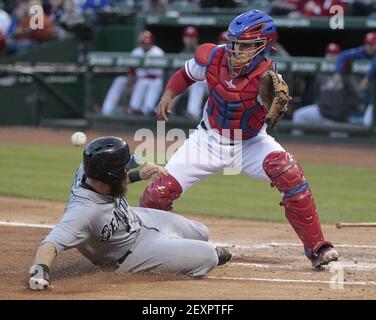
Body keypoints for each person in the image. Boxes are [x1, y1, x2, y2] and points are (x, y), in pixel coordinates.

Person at [140, 10, 339, 270]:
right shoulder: (214, 57)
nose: (236, 50)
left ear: (264, 46)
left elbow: (273, 110)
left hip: (250, 143)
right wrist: (168, 95)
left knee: (289, 172)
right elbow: (186, 74)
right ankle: (146, 246)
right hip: (207, 140)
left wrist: (275, 108)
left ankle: (317, 248)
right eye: (234, 43)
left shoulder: (269, 78)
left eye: (245, 45)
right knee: (157, 194)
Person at [28, 136, 231, 290]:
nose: (127, 171)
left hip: (137, 219)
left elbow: (115, 183)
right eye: (125, 170)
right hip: (134, 253)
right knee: (209, 256)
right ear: (109, 176)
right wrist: (39, 275)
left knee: (201, 232)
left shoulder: (90, 170)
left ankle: (178, 247)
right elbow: (49, 244)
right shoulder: (83, 213)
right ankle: (179, 254)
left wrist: (138, 175)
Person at [101, 30, 164, 116]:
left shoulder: (158, 53)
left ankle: (145, 112)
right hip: (139, 80)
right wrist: (128, 84)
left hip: (154, 81)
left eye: (147, 43)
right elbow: (132, 72)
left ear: (152, 43)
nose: (145, 45)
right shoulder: (136, 52)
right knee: (120, 81)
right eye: (142, 43)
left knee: (147, 106)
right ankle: (106, 111)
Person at [292, 43, 347, 135]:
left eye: (334, 54)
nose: (331, 57)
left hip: (337, 118)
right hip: (322, 112)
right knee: (299, 116)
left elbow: (354, 94)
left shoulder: (346, 73)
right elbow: (316, 93)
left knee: (341, 141)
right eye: (329, 54)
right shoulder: (321, 74)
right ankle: (297, 145)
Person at [173, 26, 208, 121]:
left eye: (192, 37)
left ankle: (192, 112)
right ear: (183, 39)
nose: (190, 40)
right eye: (188, 37)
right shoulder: (182, 53)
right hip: (190, 84)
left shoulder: (202, 51)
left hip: (206, 84)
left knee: (197, 83)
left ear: (196, 38)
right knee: (179, 82)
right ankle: (164, 109)